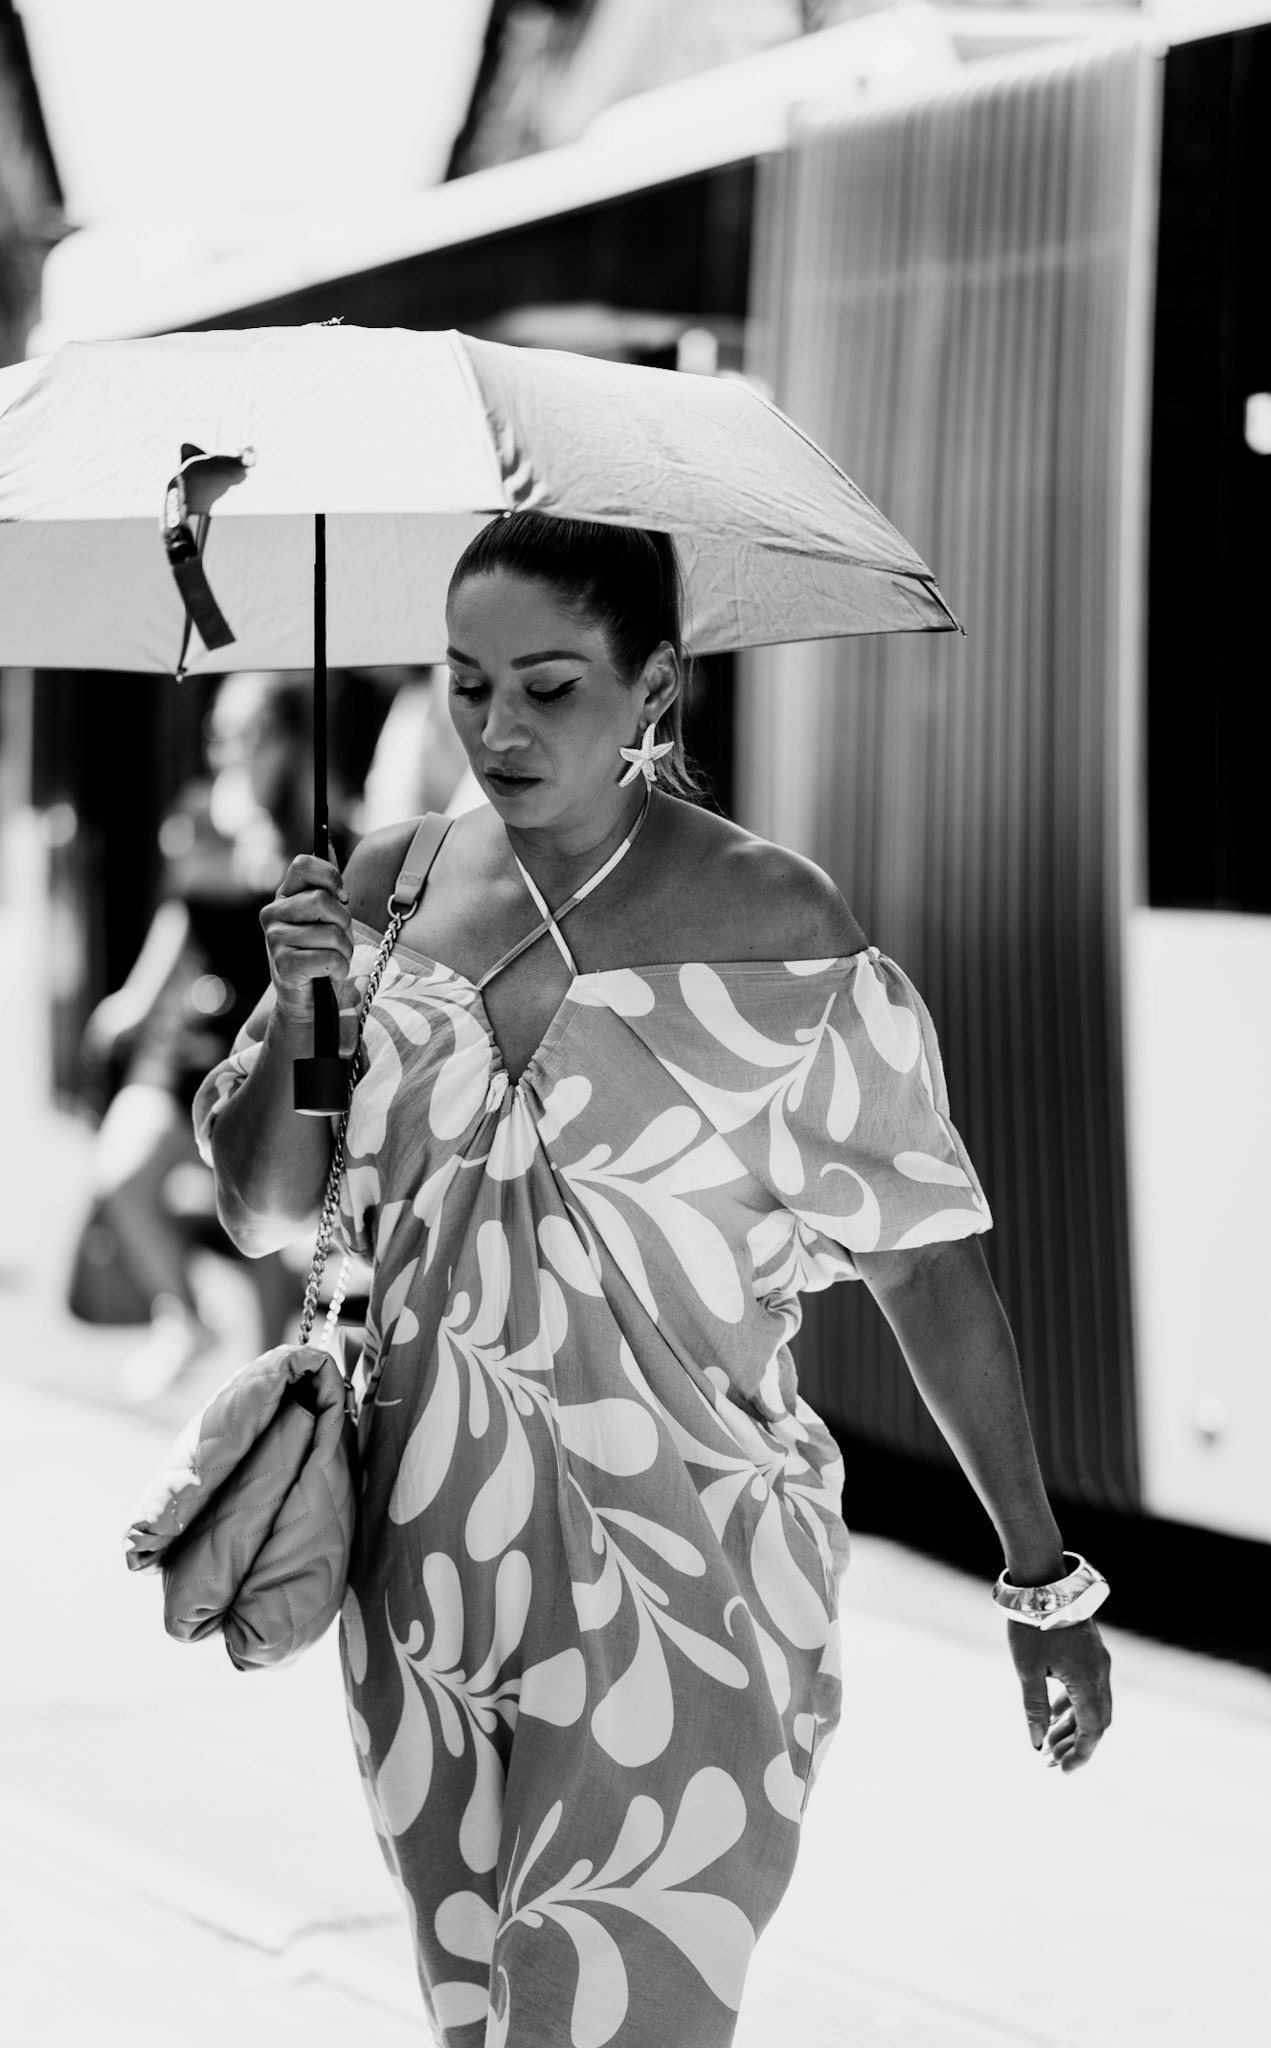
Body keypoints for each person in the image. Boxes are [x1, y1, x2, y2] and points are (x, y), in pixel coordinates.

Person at [194, 514, 1112, 2048]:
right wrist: (306, 1007)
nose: (497, 728)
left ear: (655, 686)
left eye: (550, 687)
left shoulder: (783, 932)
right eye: (469, 683)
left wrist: (1044, 1579)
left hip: (692, 1595)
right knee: (488, 2027)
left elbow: (928, 1276)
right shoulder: (386, 896)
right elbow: (264, 1207)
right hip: (423, 1587)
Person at [81, 670, 335, 1397]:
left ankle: (256, 1403)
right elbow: (181, 914)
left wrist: (274, 850)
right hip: (187, 1036)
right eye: (221, 734)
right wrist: (133, 997)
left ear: (287, 743)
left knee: (262, 1221)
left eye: (248, 735)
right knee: (120, 1171)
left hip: (262, 1045)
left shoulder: (317, 831)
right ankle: (180, 1316)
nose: (230, 752)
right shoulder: (197, 813)